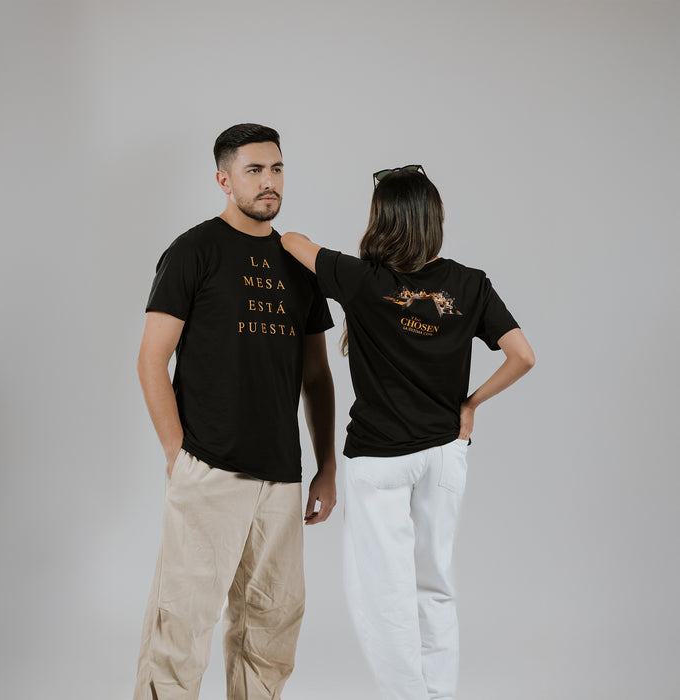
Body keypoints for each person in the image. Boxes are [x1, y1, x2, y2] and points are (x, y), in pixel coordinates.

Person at [281, 164, 535, 700]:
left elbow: (291, 241)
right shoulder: (470, 283)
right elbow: (523, 356)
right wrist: (471, 404)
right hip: (444, 454)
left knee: (383, 595)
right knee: (435, 585)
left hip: (379, 460)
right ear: (434, 218)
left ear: (383, 220)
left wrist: (361, 253)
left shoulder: (361, 279)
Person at [133, 123, 337, 700]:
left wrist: (326, 466)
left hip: (281, 475)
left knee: (272, 629)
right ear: (224, 180)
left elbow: (317, 376)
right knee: (181, 627)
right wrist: (178, 454)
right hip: (210, 467)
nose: (269, 182)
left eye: (276, 169)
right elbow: (151, 360)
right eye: (254, 170)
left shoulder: (299, 262)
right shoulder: (194, 250)